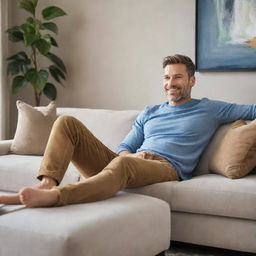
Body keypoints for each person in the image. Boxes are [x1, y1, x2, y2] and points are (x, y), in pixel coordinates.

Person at [1, 54, 256, 208]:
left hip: (167, 167)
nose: (171, 83)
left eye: (178, 77)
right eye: (167, 77)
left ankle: (56, 197)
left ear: (191, 81)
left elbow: (252, 110)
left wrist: (128, 161)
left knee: (122, 166)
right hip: (131, 162)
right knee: (66, 122)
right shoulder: (150, 112)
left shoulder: (211, 109)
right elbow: (125, 148)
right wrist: (129, 156)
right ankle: (47, 184)